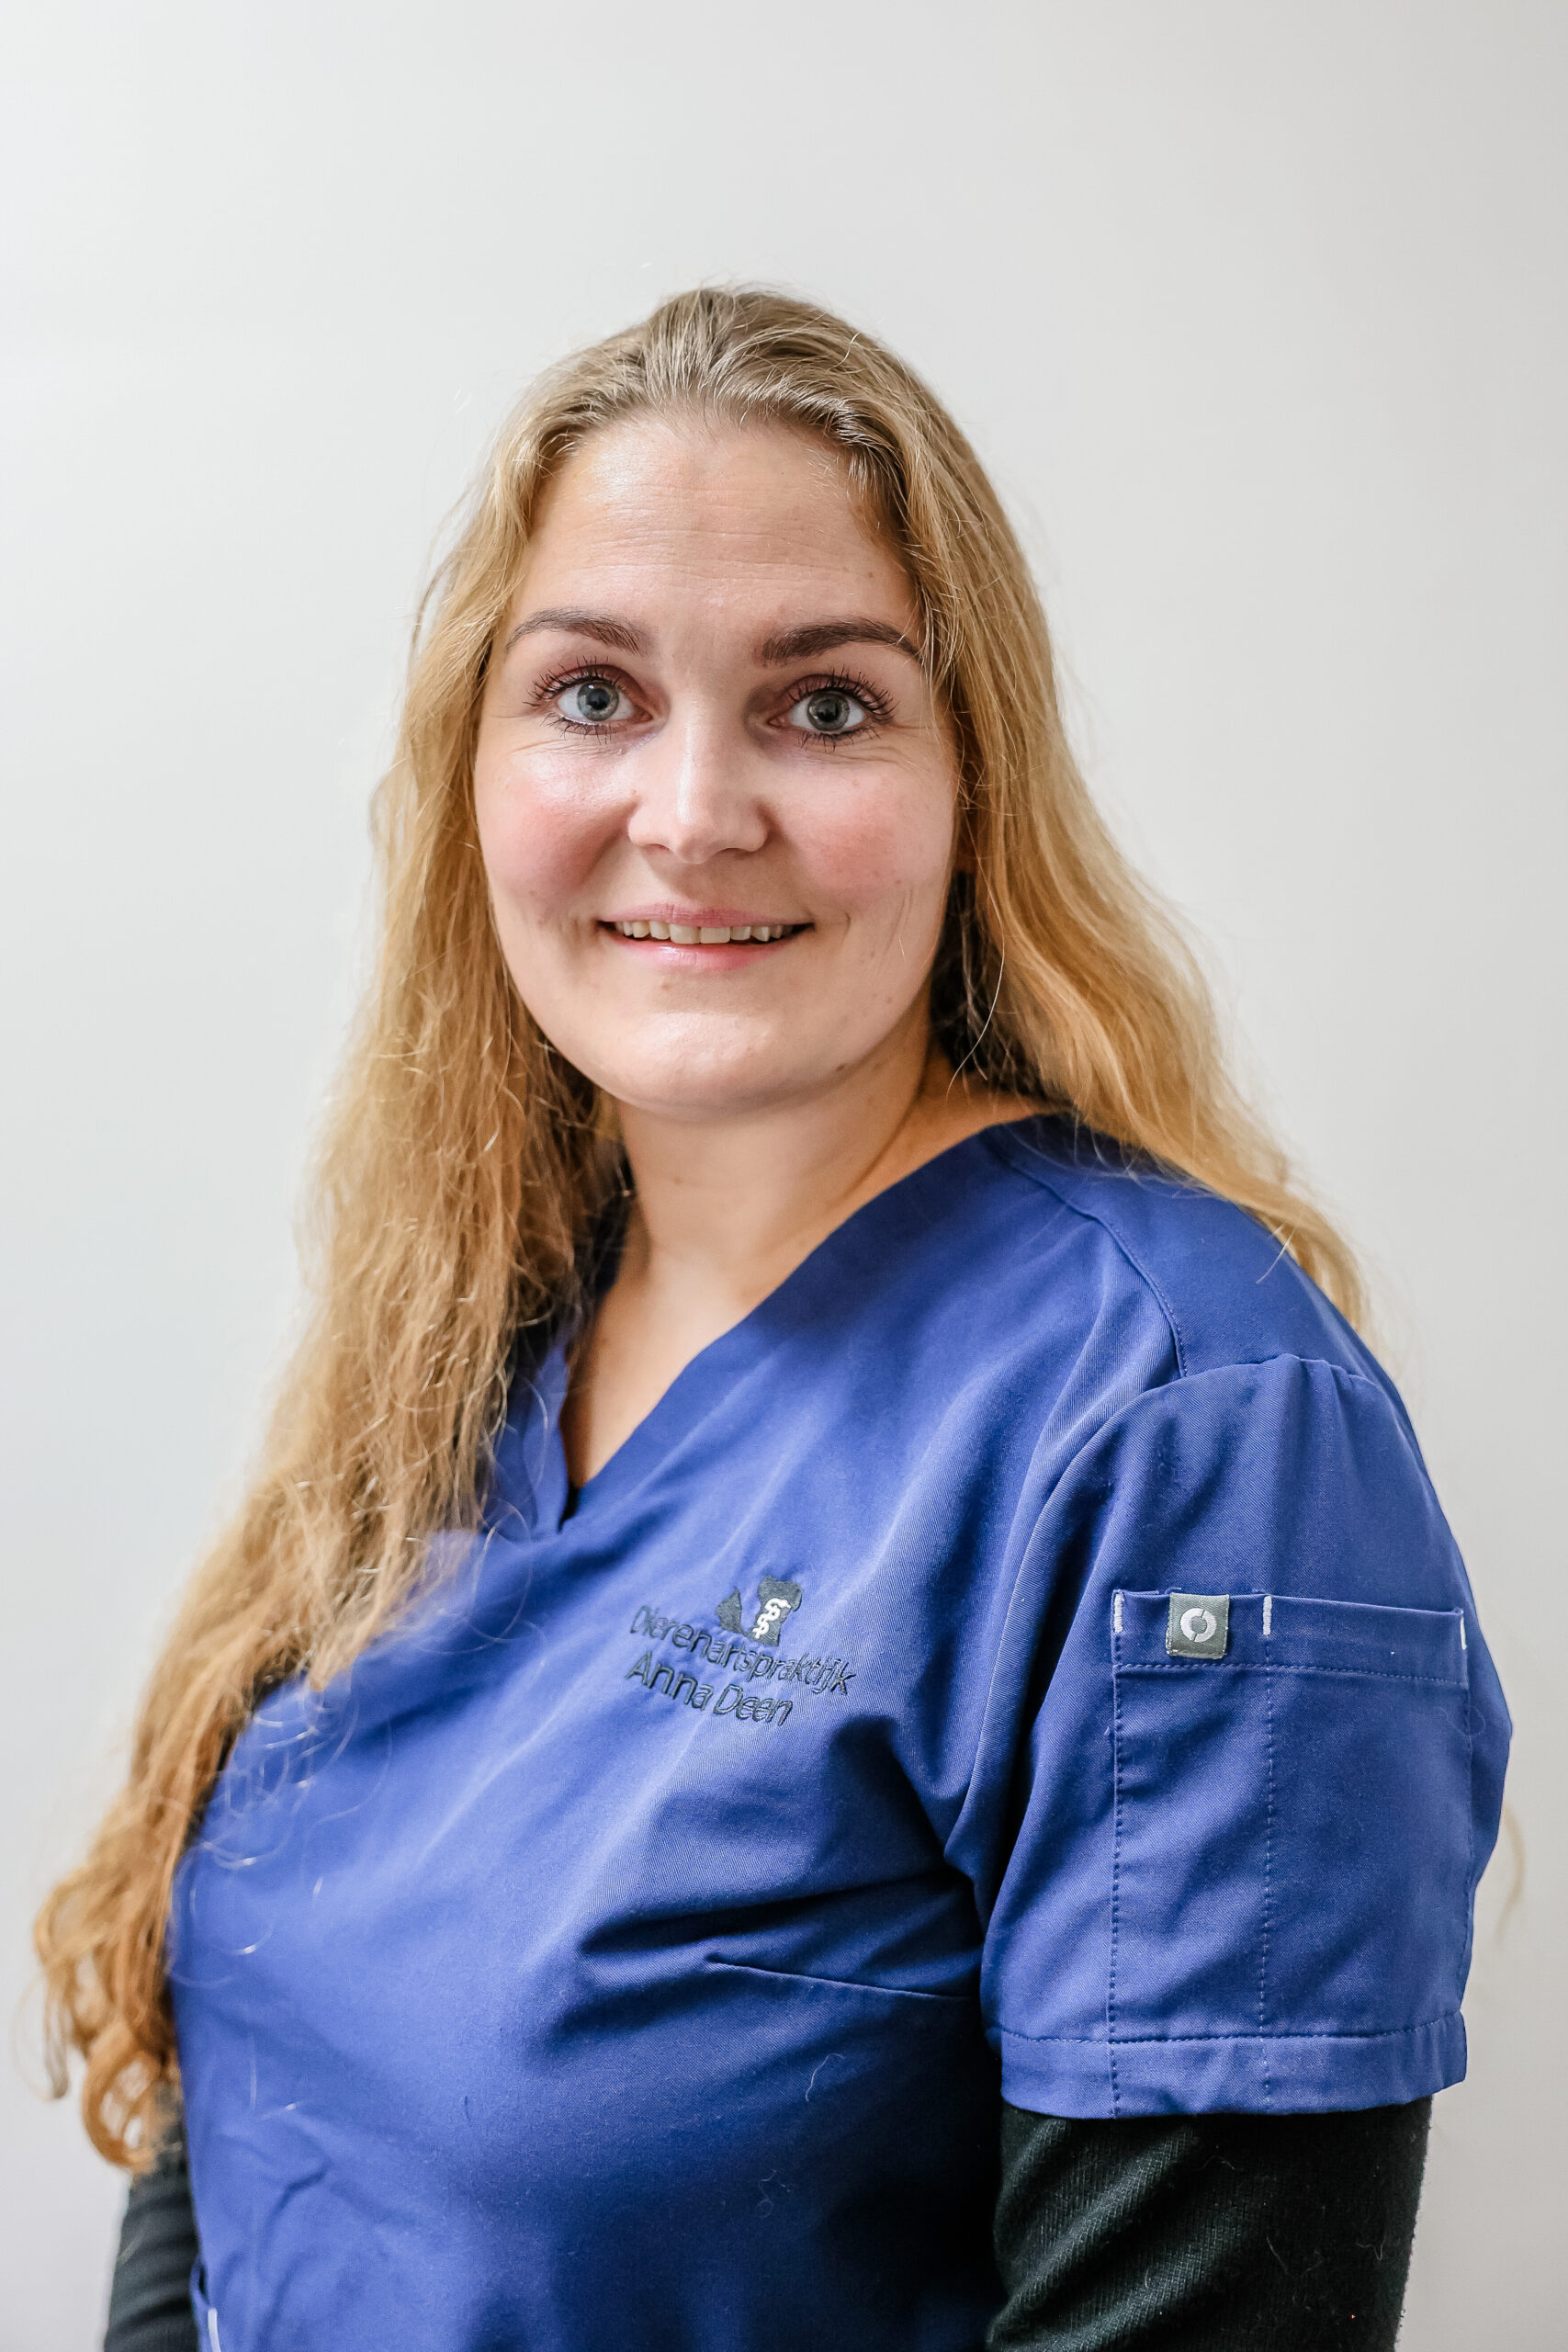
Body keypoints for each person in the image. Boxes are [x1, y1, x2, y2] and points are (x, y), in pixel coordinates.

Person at [38, 288, 1506, 2352]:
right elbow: (239, 2130)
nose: (692, 808)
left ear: (972, 777)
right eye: (592, 694)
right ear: (475, 769)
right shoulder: (462, 1332)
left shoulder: (1188, 1431)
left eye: (823, 705)